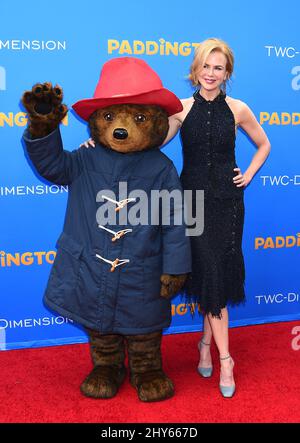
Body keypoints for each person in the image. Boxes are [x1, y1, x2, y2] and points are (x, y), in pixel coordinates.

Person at [82, 38, 271, 398]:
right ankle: (219, 355)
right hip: (193, 201)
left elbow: (265, 144)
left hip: (228, 204)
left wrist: (248, 174)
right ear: (195, 70)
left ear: (227, 72)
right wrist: (100, 144)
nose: (210, 73)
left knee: (215, 277)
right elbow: (147, 142)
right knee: (207, 274)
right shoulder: (182, 110)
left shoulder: (239, 108)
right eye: (205, 66)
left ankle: (214, 351)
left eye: (218, 67)